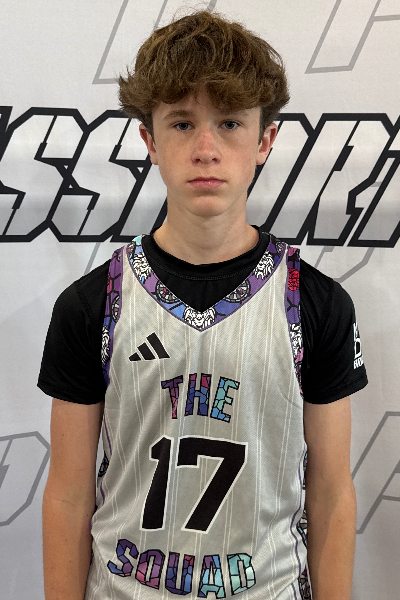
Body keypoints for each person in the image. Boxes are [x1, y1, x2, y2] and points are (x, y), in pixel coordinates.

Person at [38, 9, 368, 600]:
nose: (207, 149)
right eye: (183, 123)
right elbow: (66, 494)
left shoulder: (316, 303)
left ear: (265, 141)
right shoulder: (92, 305)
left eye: (231, 123)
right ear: (150, 141)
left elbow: (330, 493)